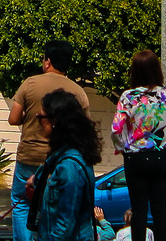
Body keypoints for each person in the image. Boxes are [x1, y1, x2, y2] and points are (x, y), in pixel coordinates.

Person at [9, 40, 91, 241]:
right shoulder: (78, 91)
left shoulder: (30, 83)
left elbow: (13, 119)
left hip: (30, 154)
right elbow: (85, 126)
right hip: (57, 156)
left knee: (22, 205)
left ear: (48, 62)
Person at [111, 51, 166, 241]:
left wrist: (121, 147)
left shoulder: (128, 97)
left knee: (139, 208)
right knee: (159, 207)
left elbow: (116, 128)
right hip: (161, 156)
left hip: (136, 157)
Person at [29, 88, 104, 241]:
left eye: (40, 117)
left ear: (55, 121)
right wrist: (35, 181)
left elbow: (66, 225)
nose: (39, 122)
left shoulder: (70, 167)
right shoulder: (62, 156)